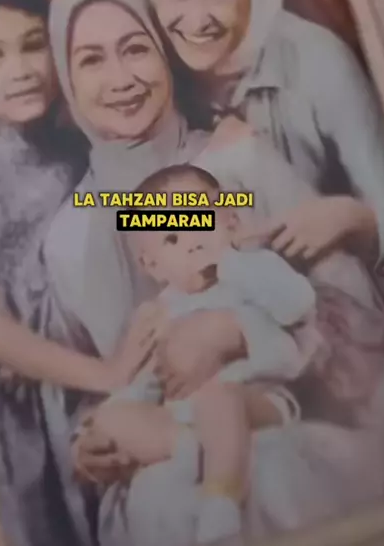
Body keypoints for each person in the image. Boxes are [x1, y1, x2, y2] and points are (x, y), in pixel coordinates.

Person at [43, 0, 384, 546]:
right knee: (160, 500)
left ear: (165, 54)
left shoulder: (237, 163)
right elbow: (91, 385)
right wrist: (91, 444)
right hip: (160, 447)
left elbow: (359, 313)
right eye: (91, 60)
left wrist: (235, 330)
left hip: (287, 411)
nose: (121, 79)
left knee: (272, 473)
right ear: (66, 81)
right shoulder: (70, 236)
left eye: (136, 49)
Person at [0, 0, 157, 546]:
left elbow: (137, 220)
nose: (22, 69)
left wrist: (229, 199)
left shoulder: (71, 151)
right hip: (6, 397)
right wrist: (108, 375)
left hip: (78, 380)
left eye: (34, 45)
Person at [144, 0, 384, 275]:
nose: (196, 21)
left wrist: (351, 218)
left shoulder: (315, 57)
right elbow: (147, 221)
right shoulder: (148, 74)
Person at [81, 163, 320, 544]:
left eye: (202, 223)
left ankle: (220, 503)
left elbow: (298, 306)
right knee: (110, 418)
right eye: (172, 238)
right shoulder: (160, 313)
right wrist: (117, 415)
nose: (193, 243)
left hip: (254, 400)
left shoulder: (251, 271)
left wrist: (231, 260)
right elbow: (148, 380)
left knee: (218, 399)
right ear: (152, 266)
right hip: (182, 420)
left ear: (230, 220)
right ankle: (189, 449)